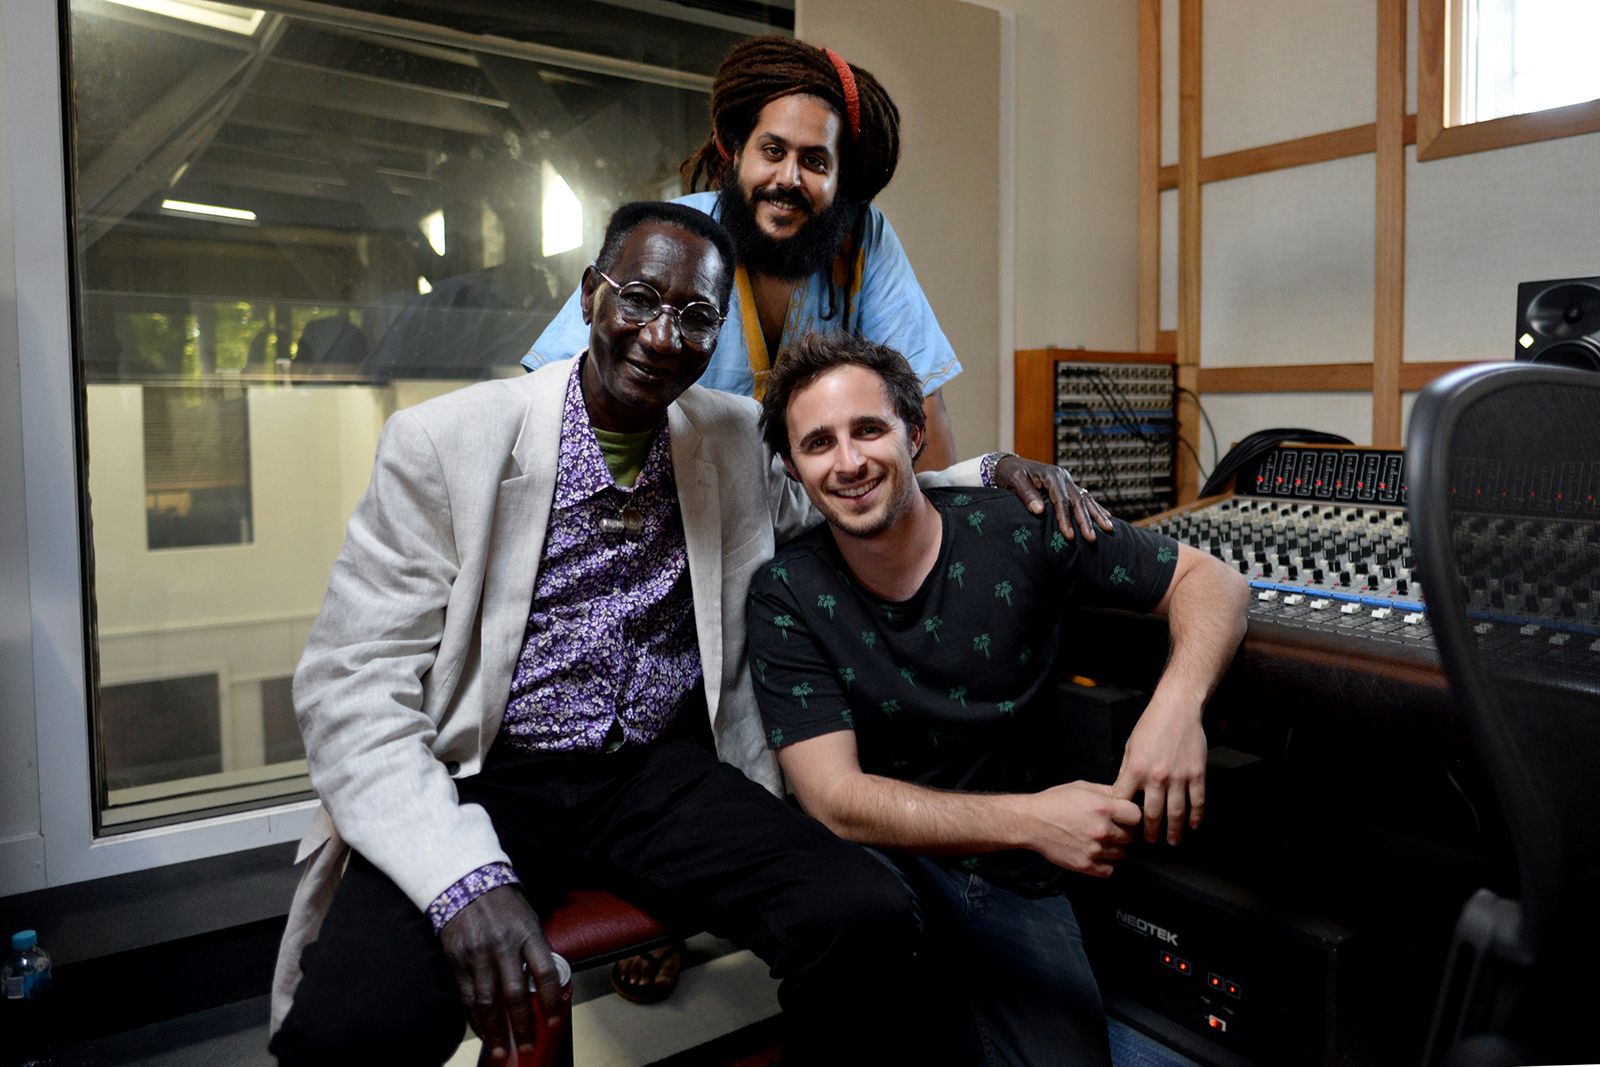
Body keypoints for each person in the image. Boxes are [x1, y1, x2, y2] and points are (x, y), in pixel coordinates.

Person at [267, 202, 1079, 1066]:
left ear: (716, 332)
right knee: (347, 1027)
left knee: (862, 913)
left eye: (695, 316)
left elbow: (843, 494)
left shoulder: (728, 434)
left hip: (654, 774)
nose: (661, 335)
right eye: (639, 299)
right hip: (486, 774)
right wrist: (462, 882)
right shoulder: (445, 442)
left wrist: (988, 472)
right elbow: (349, 691)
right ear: (592, 293)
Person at [746, 333, 1250, 1066]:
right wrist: (1036, 820)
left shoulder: (1021, 526)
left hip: (1012, 876)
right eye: (818, 443)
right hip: (877, 871)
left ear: (915, 434)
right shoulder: (786, 592)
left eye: (869, 429)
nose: (848, 462)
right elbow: (836, 799)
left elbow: (1213, 581)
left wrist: (1176, 710)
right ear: (793, 469)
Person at [525, 35, 1013, 475]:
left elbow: (918, 404)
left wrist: (944, 528)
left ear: (841, 179)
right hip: (674, 499)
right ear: (736, 152)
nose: (789, 179)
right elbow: (552, 387)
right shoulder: (676, 232)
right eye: (773, 151)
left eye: (815, 161)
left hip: (812, 511)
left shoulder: (864, 237)